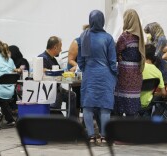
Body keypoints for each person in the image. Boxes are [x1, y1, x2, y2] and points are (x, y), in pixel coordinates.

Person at [77, 10, 117, 144]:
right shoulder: (108, 38)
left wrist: (87, 69)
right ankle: (104, 136)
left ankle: (91, 136)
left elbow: (80, 61)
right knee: (105, 107)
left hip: (89, 74)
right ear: (103, 21)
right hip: (105, 75)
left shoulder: (84, 36)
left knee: (87, 106)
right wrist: (115, 74)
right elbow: (112, 61)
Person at [114, 9, 145, 116]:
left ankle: (119, 130)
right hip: (137, 74)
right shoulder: (140, 38)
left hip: (125, 74)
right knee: (132, 104)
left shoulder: (125, 36)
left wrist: (120, 56)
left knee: (121, 104)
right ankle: (132, 130)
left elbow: (115, 52)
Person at [38, 36, 77, 118]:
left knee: (72, 95)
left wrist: (70, 72)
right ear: (55, 47)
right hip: (49, 90)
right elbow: (43, 72)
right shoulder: (41, 58)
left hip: (56, 88)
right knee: (61, 97)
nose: (61, 50)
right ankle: (62, 119)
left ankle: (71, 120)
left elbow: (60, 73)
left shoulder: (53, 59)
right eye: (60, 47)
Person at [140, 44, 167, 117]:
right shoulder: (158, 72)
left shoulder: (137, 67)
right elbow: (164, 93)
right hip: (147, 104)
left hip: (132, 102)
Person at [8, 45, 30, 113]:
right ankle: (10, 108)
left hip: (21, 83)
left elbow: (24, 70)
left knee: (10, 87)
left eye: (9, 52)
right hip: (12, 83)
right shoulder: (9, 61)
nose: (7, 54)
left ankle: (13, 108)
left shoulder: (23, 61)